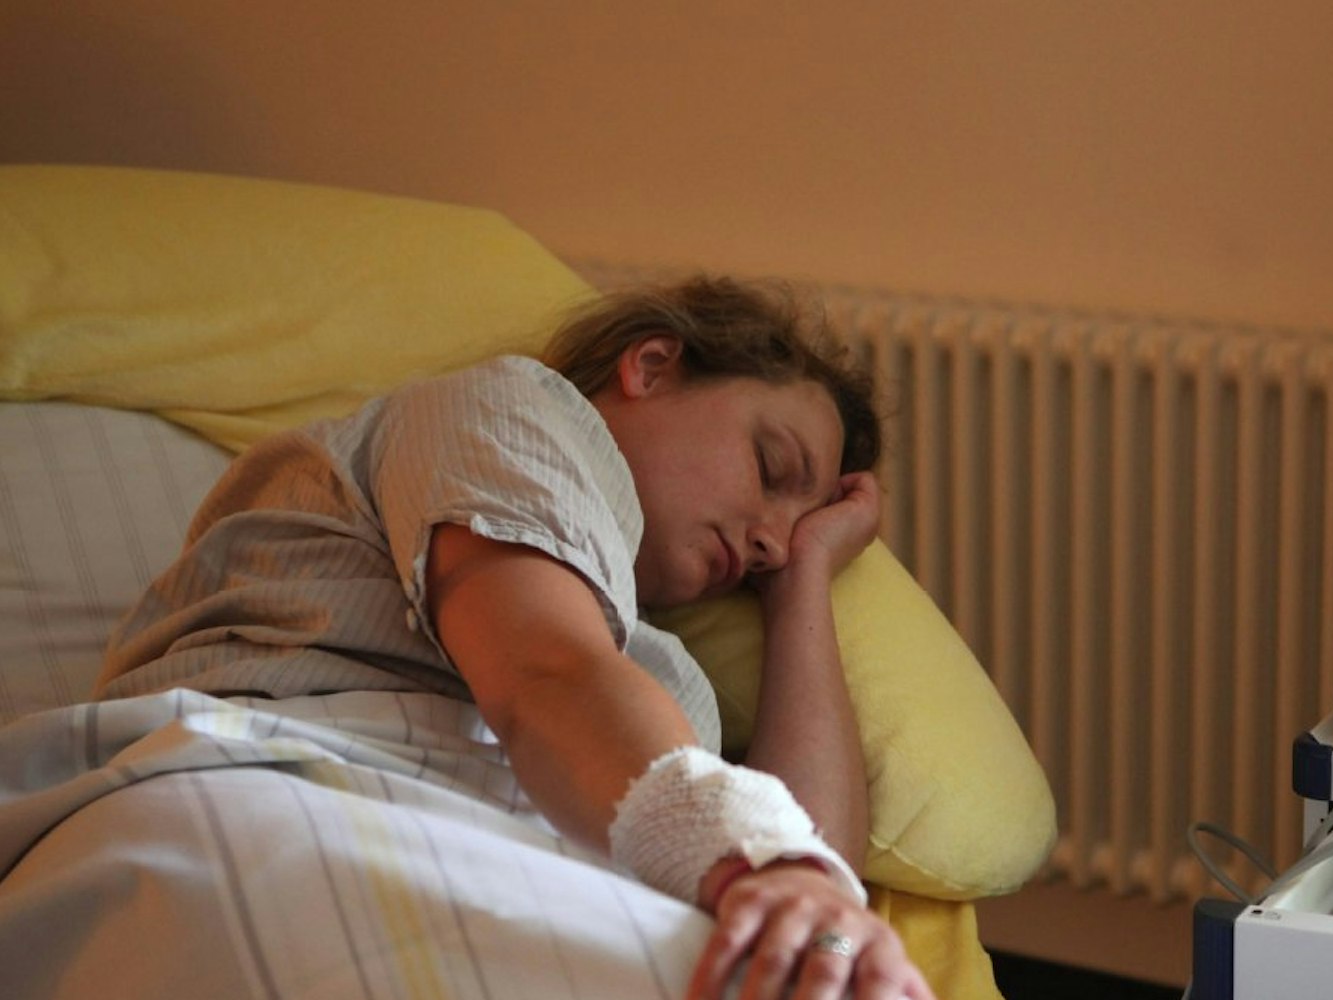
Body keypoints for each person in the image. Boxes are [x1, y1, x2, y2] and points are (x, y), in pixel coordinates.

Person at [96, 275, 934, 1000]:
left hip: (491, 866)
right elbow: (543, 675)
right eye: (771, 467)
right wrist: (766, 865)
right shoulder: (510, 410)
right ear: (650, 367)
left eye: (791, 533)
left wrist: (801, 582)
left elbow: (820, 893)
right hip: (301, 792)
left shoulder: (656, 667)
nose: (773, 541)